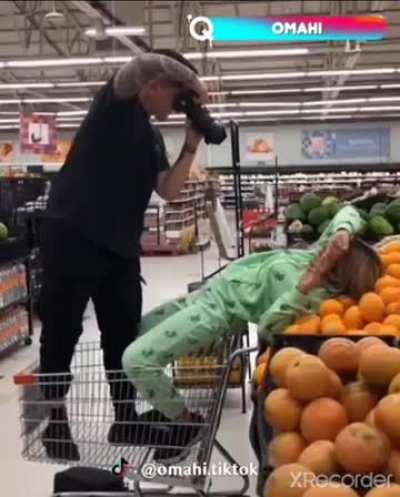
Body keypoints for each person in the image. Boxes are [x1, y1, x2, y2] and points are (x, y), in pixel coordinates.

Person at [39, 49, 207, 460]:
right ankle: (54, 419)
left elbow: (168, 190)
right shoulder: (113, 107)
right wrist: (195, 82)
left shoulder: (150, 134)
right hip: (72, 237)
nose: (180, 105)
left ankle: (124, 417)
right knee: (62, 331)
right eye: (178, 96)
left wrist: (190, 145)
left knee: (123, 332)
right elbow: (141, 64)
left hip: (119, 247)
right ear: (156, 87)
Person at [122, 206, 382, 462]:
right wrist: (342, 232)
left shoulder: (315, 299)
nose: (329, 251)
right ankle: (162, 407)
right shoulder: (321, 255)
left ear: (342, 275)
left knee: (137, 361)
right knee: (133, 331)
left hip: (216, 313)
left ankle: (185, 423)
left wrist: (301, 289)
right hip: (209, 291)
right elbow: (349, 211)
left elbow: (268, 329)